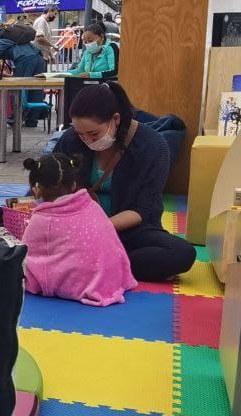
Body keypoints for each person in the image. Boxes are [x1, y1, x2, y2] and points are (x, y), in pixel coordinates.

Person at [51, 82, 197, 282]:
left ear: (115, 120)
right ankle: (99, 264)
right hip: (76, 230)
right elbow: (52, 183)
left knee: (181, 253)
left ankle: (98, 264)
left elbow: (142, 210)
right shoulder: (70, 140)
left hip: (128, 232)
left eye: (94, 134)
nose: (86, 140)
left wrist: (99, 228)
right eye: (80, 134)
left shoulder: (152, 145)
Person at [0, 154, 137, 306]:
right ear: (73, 185)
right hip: (112, 278)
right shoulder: (91, 205)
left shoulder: (43, 219)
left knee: (3, 247)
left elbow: (27, 255)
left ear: (36, 189)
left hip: (81, 282)